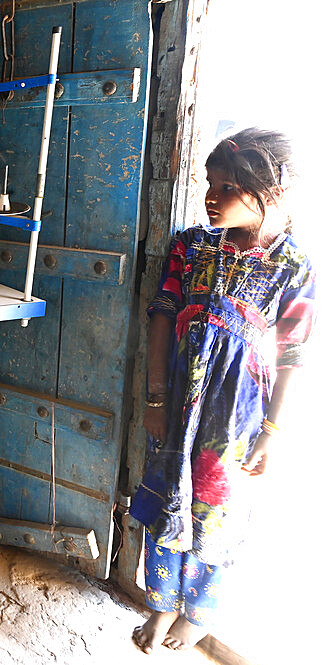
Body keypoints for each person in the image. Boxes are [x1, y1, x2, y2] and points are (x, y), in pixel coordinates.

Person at [130, 128, 316, 654]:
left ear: (271, 193)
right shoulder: (191, 247)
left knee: (218, 517)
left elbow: (292, 356)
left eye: (226, 186)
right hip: (178, 404)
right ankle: (162, 604)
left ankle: (199, 613)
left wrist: (272, 432)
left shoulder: (294, 268)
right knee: (168, 498)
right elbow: (162, 319)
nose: (210, 197)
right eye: (208, 184)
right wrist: (157, 399)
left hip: (237, 418)